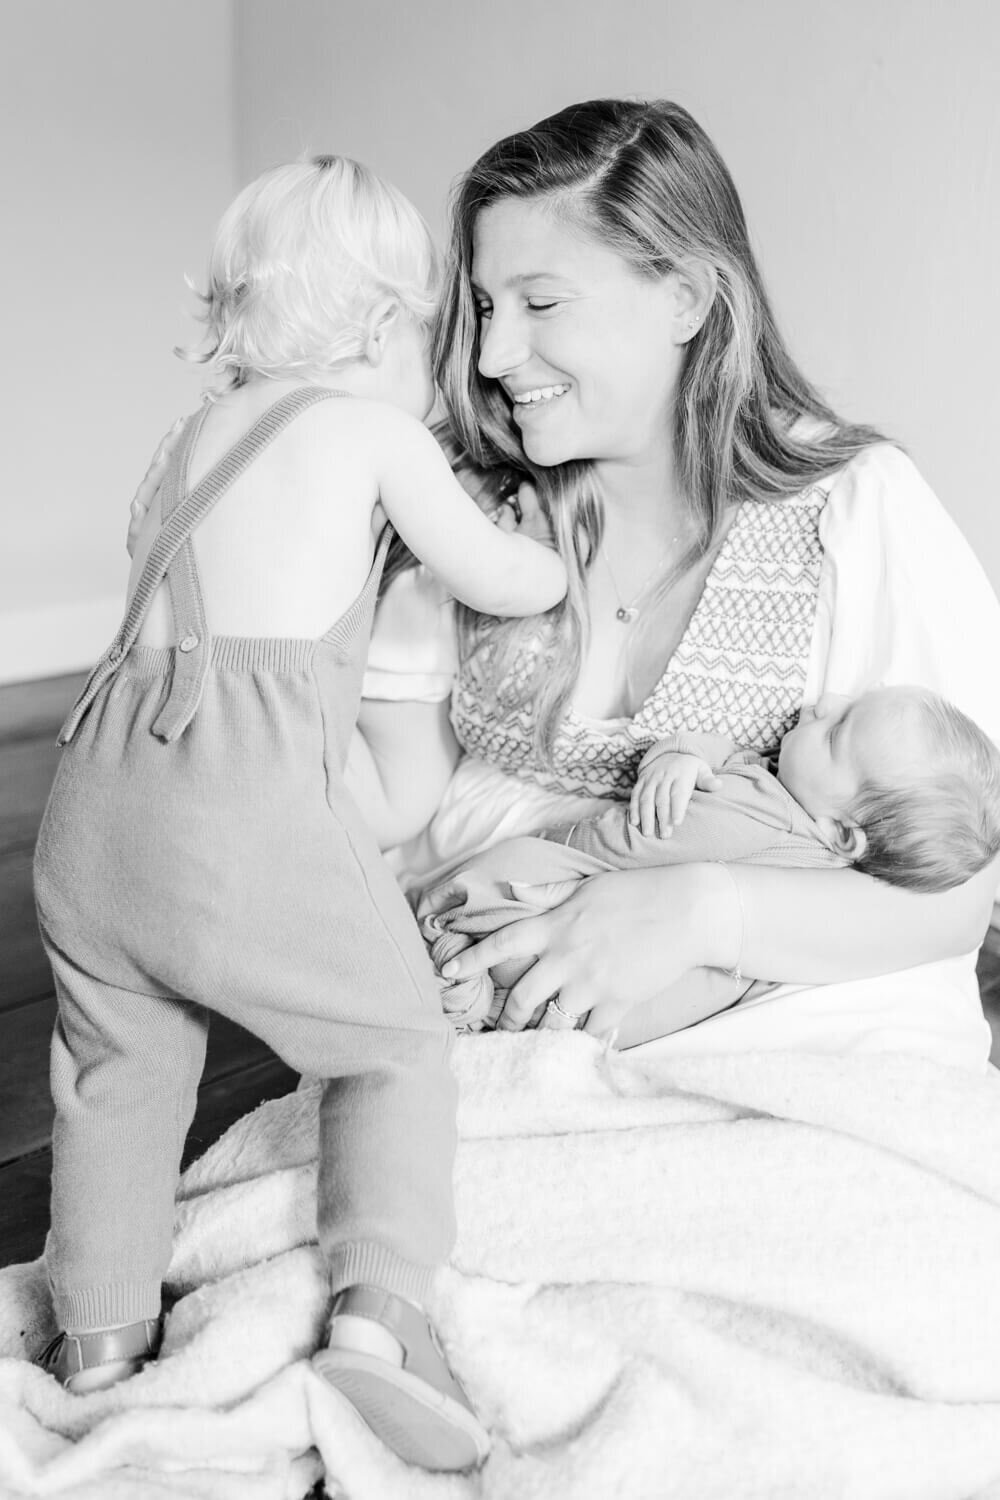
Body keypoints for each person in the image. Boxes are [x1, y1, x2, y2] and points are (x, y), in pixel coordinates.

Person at [33, 154, 569, 1471]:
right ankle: (384, 1323)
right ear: (388, 323)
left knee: (119, 1077)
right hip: (239, 815)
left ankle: (96, 1337)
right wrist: (560, 558)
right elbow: (497, 577)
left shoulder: (183, 444)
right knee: (391, 1047)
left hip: (92, 803)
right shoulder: (374, 432)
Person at [350, 97, 1000, 1067]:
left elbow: (956, 895)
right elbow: (379, 806)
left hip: (785, 1020)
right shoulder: (467, 517)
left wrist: (698, 913)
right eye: (485, 306)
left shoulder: (857, 510)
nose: (490, 356)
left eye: (541, 302)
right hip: (472, 1001)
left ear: (687, 299)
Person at [415, 687, 1000, 1043]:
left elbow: (629, 841)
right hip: (610, 1016)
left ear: (843, 833)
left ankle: (452, 970)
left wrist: (676, 757)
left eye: (836, 730)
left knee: (505, 879)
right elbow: (729, 762)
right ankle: (467, 997)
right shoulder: (820, 853)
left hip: (572, 940)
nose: (825, 701)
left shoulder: (760, 813)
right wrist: (686, 757)